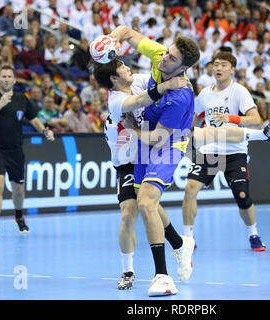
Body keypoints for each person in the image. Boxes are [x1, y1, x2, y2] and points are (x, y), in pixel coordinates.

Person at [108, 25, 200, 296]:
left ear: (183, 68)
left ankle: (162, 277)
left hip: (167, 144)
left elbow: (159, 138)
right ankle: (179, 243)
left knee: (147, 201)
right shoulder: (161, 56)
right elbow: (128, 33)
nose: (163, 59)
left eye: (171, 59)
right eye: (167, 53)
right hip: (146, 140)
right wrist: (113, 39)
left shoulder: (181, 96)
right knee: (142, 199)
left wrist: (133, 129)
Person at [92, 56, 187, 290]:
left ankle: (177, 246)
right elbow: (143, 98)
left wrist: (173, 73)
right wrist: (166, 87)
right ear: (114, 79)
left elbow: (158, 76)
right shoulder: (115, 100)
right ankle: (128, 270)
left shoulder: (137, 80)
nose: (128, 68)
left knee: (148, 203)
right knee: (129, 213)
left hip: (148, 152)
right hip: (126, 161)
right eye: (122, 67)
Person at [182, 51, 270, 252]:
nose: (218, 68)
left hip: (235, 152)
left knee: (243, 197)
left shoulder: (239, 91)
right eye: (216, 64)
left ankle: (253, 234)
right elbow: (196, 118)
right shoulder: (204, 94)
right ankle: (188, 237)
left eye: (223, 65)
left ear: (232, 69)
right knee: (190, 188)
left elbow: (255, 119)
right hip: (210, 150)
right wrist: (187, 132)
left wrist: (232, 118)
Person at [0, 65, 55, 238]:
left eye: (9, 76)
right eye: (3, 76)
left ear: (14, 80)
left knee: (18, 189)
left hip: (15, 150)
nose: (6, 79)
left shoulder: (22, 99)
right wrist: (0, 105)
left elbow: (34, 119)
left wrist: (44, 131)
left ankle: (19, 216)